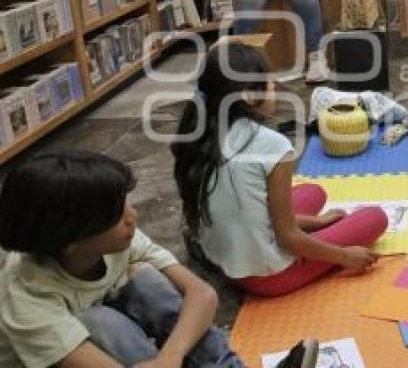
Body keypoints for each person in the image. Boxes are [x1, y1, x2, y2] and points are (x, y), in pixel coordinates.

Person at [171, 41, 388, 297]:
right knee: (375, 217)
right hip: (267, 276)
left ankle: (308, 227)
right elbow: (289, 239)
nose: (275, 88)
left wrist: (315, 222)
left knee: (313, 193)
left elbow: (253, 211)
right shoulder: (273, 145)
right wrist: (345, 256)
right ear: (249, 96)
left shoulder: (201, 131)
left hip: (222, 256)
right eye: (270, 83)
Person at [0, 151, 243, 367]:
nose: (133, 217)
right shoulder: (27, 294)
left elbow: (202, 294)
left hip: (118, 341)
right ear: (70, 239)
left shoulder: (115, 241)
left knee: (143, 278)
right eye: (117, 214)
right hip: (69, 357)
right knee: (97, 321)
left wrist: (172, 355)